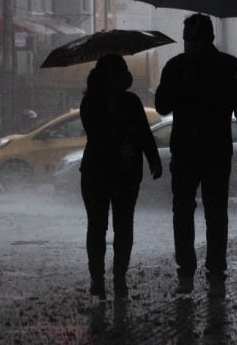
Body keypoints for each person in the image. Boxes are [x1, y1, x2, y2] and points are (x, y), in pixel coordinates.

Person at [154, 13, 237, 295]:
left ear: (208, 38)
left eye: (193, 39)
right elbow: (161, 105)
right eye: (186, 39)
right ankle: (187, 269)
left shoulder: (227, 66)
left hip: (214, 150)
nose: (189, 44)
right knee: (184, 210)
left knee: (214, 210)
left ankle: (215, 269)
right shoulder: (177, 67)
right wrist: (180, 85)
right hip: (187, 150)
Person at [78, 53, 163, 301]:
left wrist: (153, 159)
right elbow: (97, 134)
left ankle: (119, 278)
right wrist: (111, 111)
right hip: (97, 174)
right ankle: (97, 279)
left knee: (123, 228)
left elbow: (145, 134)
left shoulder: (132, 101)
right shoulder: (91, 102)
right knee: (97, 227)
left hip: (126, 175)